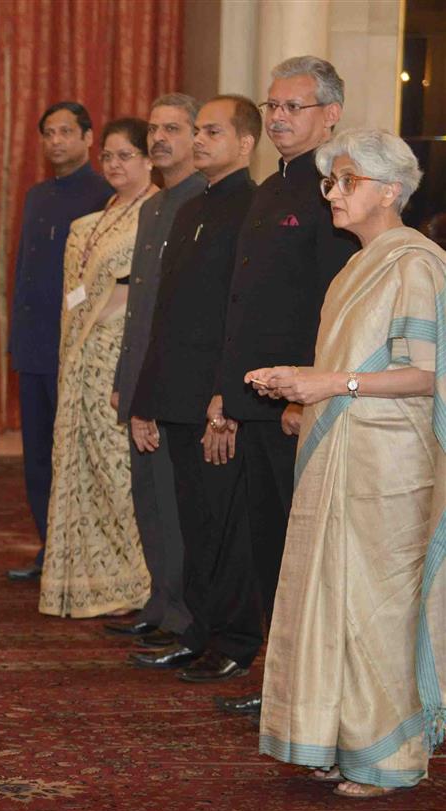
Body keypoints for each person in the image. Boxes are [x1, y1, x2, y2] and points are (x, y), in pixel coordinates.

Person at [248, 128, 444, 797]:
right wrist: (299, 387)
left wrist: (329, 385)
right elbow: (341, 369)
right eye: (329, 180)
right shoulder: (353, 266)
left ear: (389, 190)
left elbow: (426, 376)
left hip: (388, 464)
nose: (331, 192)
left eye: (346, 180)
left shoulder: (415, 262)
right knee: (328, 596)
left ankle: (389, 756)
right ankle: (337, 738)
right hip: (338, 447)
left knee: (375, 606)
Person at [207, 57, 358, 710]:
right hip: (256, 398)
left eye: (291, 107)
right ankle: (279, 679)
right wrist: (225, 391)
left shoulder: (335, 191)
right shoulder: (271, 188)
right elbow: (242, 302)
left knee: (303, 554)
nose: (276, 117)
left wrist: (307, 393)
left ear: (329, 115)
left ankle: (308, 688)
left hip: (299, 403)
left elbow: (333, 305)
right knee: (265, 544)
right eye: (271, 106)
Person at [128, 96, 261, 678]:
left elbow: (242, 317)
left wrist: (225, 399)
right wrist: (146, 399)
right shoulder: (187, 209)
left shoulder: (250, 209)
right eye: (198, 131)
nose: (200, 141)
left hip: (216, 400)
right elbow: (165, 314)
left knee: (223, 528)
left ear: (246, 143)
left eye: (213, 131)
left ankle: (234, 641)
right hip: (177, 396)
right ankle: (199, 631)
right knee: (192, 524)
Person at [39, 117, 155, 618]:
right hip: (82, 359)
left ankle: (133, 579)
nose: (113, 165)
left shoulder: (154, 213)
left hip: (117, 359)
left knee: (116, 471)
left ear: (149, 159)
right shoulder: (102, 214)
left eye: (125, 155)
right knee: (81, 464)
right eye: (107, 156)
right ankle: (86, 578)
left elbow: (139, 294)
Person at [105, 94, 207, 645]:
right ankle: (160, 602)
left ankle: (184, 615)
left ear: (198, 137)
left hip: (176, 384)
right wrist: (127, 379)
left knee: (172, 499)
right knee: (147, 497)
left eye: (173, 128)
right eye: (154, 128)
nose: (160, 138)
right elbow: (140, 309)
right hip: (142, 376)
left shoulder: (203, 203)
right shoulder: (153, 207)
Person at [8, 102, 113, 580]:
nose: (56, 142)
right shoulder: (36, 195)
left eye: (66, 132)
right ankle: (50, 548)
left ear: (89, 138)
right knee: (38, 458)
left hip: (76, 347)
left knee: (75, 454)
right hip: (33, 346)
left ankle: (81, 555)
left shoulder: (105, 194)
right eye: (48, 133)